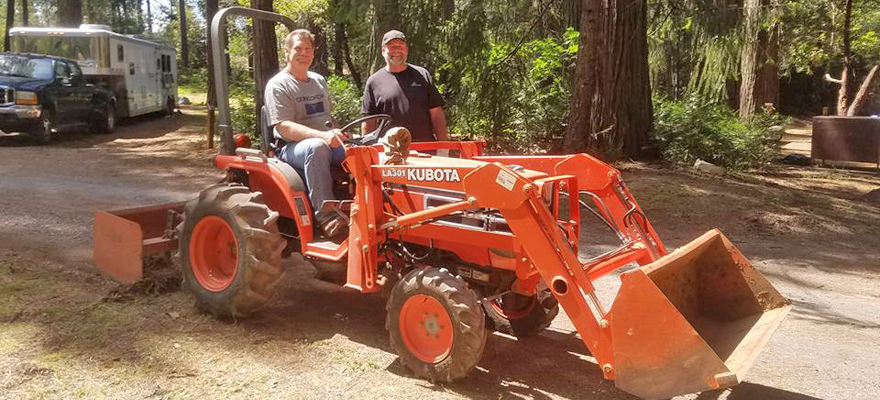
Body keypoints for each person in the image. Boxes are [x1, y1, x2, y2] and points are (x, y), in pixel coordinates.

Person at [264, 29, 347, 238]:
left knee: (364, 149)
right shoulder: (278, 84)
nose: (304, 53)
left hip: (326, 140)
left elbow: (326, 117)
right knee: (316, 148)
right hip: (290, 148)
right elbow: (284, 127)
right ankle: (327, 216)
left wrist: (341, 134)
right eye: (298, 48)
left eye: (308, 49)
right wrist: (323, 136)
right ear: (287, 53)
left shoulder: (318, 81)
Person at [361, 30, 449, 146]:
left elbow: (436, 113)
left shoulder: (422, 75)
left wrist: (443, 147)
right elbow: (369, 121)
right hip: (390, 152)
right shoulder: (374, 81)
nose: (397, 50)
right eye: (391, 46)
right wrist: (368, 151)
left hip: (426, 149)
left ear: (406, 50)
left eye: (400, 46)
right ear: (383, 51)